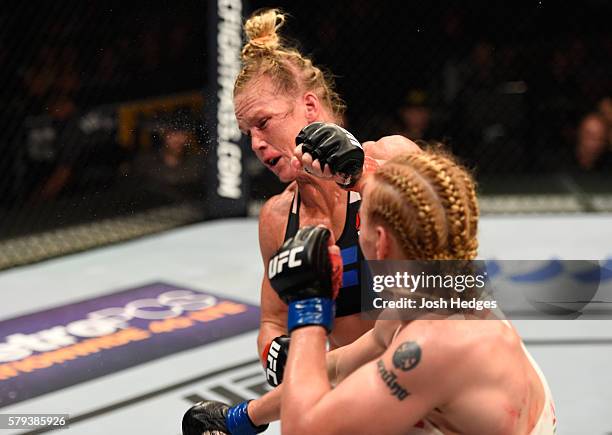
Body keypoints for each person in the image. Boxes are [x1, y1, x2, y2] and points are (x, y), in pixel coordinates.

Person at [183, 146, 557, 435]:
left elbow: (306, 429)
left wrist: (309, 312)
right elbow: (343, 364)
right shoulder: (435, 285)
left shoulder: (432, 345)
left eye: (362, 217)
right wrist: (241, 417)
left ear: (379, 241)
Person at [232, 8, 419, 386]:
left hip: (438, 379)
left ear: (310, 107)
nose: (256, 142)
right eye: (247, 131)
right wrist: (276, 352)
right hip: (362, 397)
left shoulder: (393, 157)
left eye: (264, 122)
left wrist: (361, 172)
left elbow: (451, 232)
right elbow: (272, 319)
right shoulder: (277, 218)